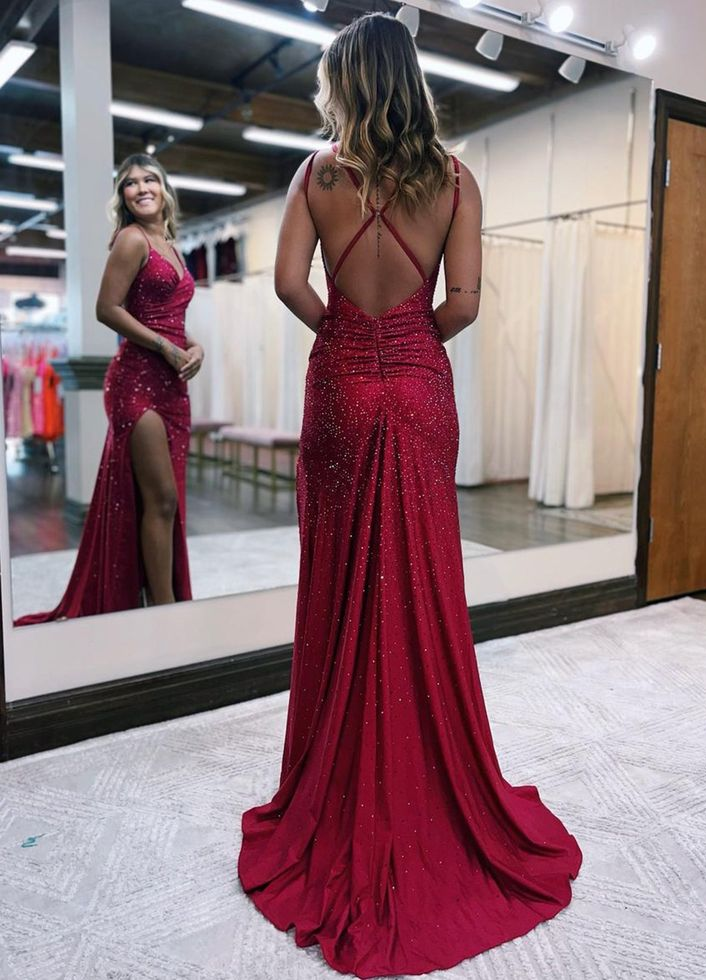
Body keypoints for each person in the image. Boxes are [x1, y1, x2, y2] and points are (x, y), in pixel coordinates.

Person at [238, 13, 582, 977]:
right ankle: (432, 777)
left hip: (343, 385)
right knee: (421, 580)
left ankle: (338, 773)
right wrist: (410, 337)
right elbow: (462, 303)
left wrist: (348, 332)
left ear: (344, 84)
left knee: (340, 582)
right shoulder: (456, 180)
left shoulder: (317, 176)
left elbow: (286, 283)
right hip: (422, 387)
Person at [14, 154, 203, 625]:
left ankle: (157, 598)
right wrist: (165, 346)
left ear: (164, 189)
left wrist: (194, 347)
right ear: (123, 197)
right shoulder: (131, 239)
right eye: (129, 183)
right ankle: (164, 611)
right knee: (161, 497)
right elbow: (107, 308)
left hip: (172, 383)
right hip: (136, 381)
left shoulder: (171, 245)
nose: (141, 188)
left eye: (149, 179)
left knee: (166, 500)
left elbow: (171, 318)